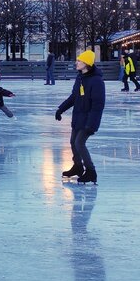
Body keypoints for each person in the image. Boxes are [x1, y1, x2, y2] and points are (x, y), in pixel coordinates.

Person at [55, 50, 105, 184]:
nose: (76, 63)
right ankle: (78, 166)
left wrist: (91, 124)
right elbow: (74, 97)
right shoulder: (80, 78)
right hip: (78, 117)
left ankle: (91, 171)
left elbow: (98, 105)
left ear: (87, 63)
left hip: (89, 120)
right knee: (73, 142)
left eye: (79, 61)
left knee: (79, 143)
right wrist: (61, 109)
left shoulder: (97, 81)